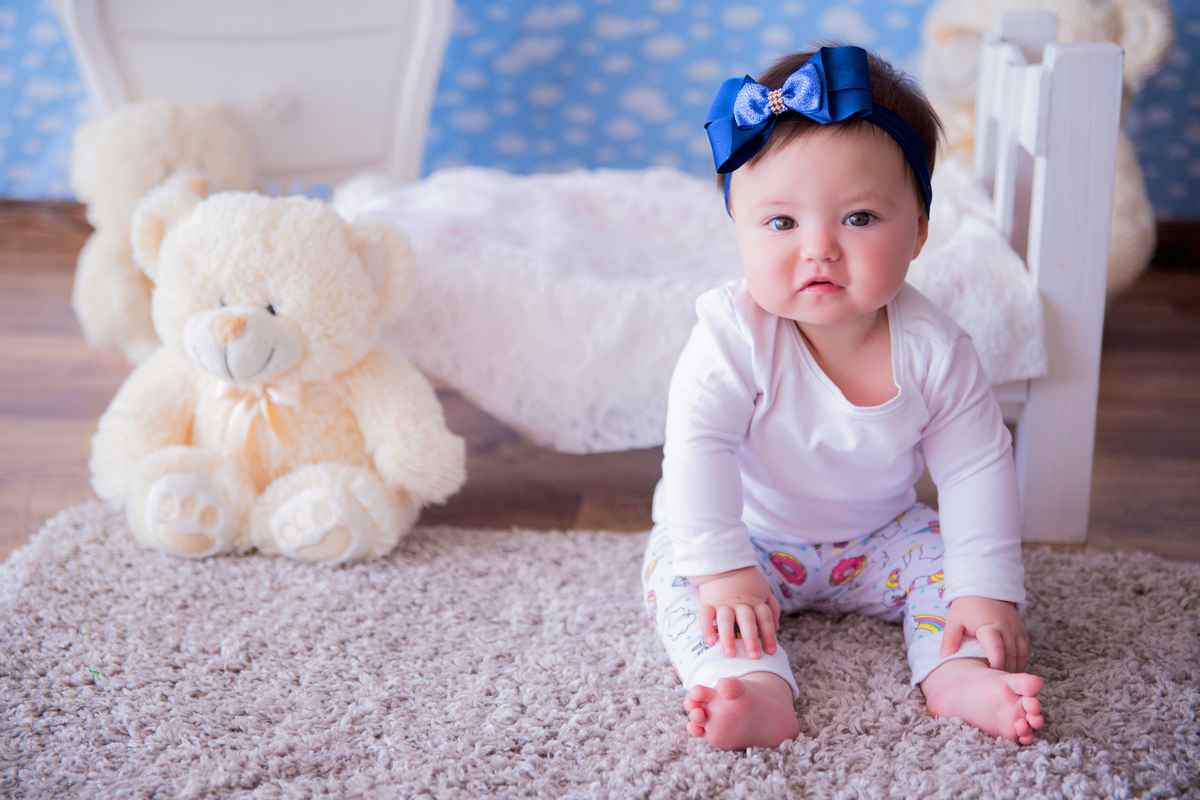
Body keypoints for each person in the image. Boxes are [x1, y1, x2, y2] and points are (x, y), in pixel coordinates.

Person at [642, 45, 1045, 751]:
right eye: (781, 223)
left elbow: (975, 467)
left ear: (919, 230)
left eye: (859, 218)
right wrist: (724, 569)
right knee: (683, 578)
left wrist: (985, 588)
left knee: (958, 572)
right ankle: (753, 687)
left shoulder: (936, 348)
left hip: (880, 537)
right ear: (738, 230)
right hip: (750, 533)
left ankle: (959, 676)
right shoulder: (731, 336)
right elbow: (698, 448)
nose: (819, 249)